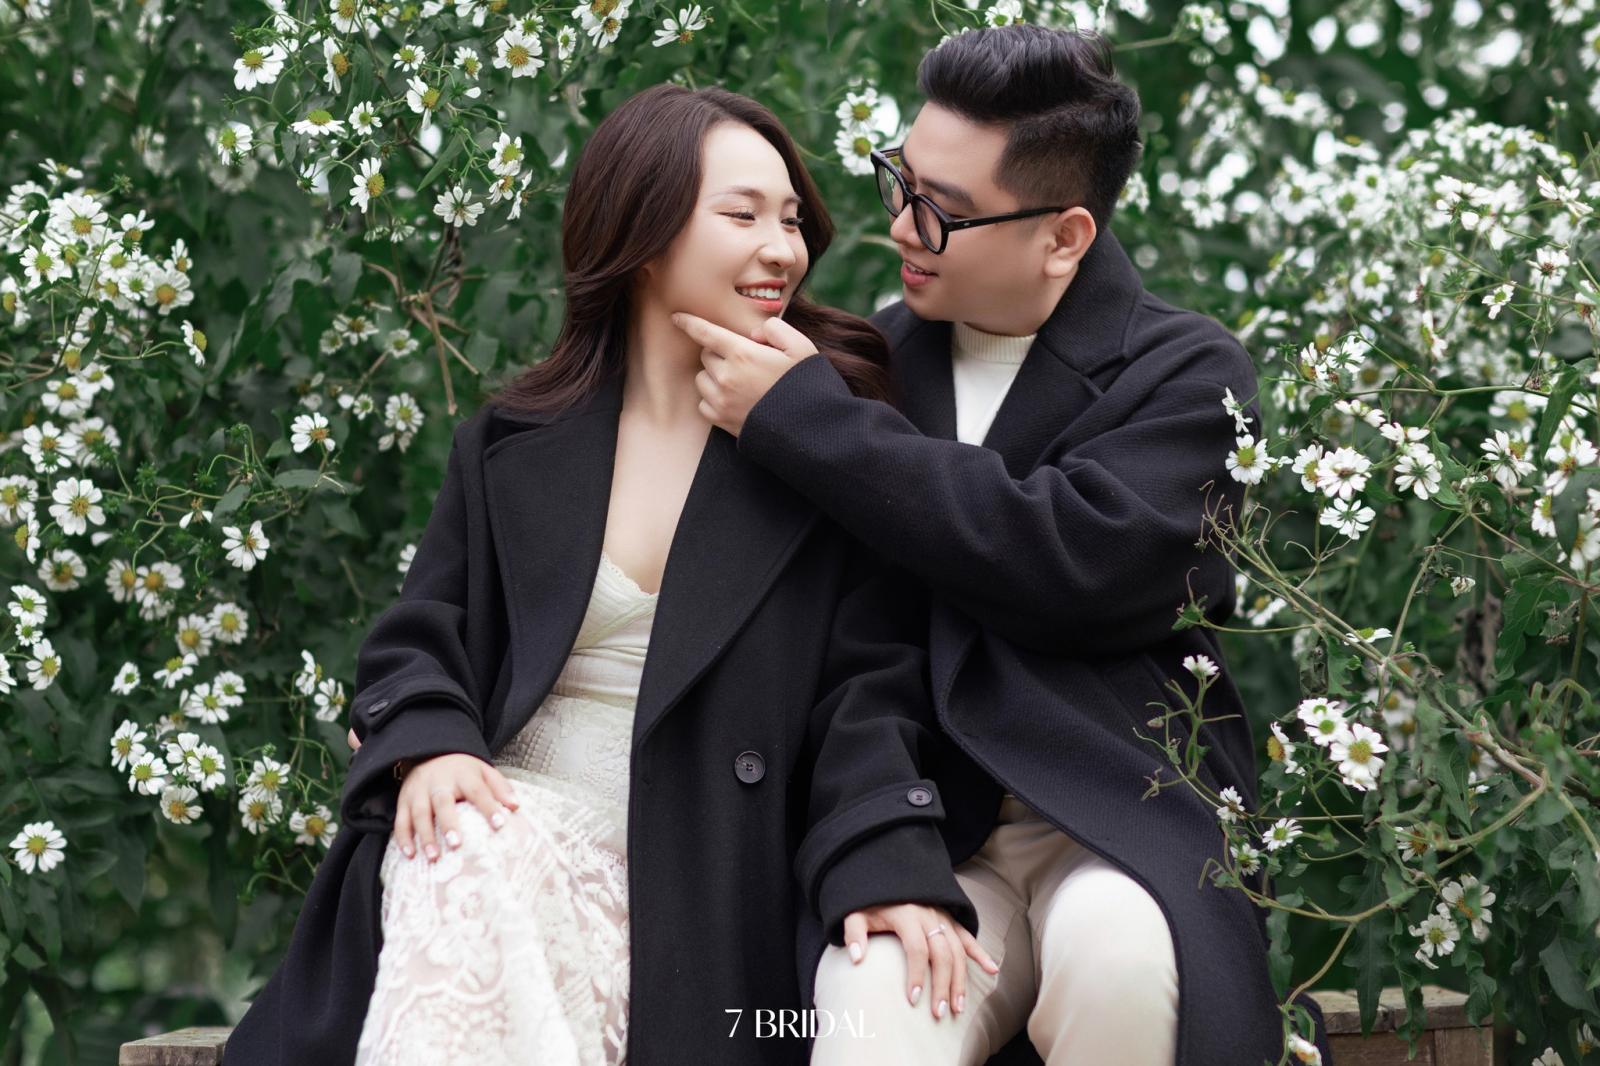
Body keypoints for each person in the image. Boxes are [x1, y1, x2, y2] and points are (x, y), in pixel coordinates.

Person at [225, 83, 997, 1066]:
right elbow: (423, 636)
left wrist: (884, 860)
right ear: (642, 236)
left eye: (792, 220)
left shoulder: (829, 437)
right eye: (743, 215)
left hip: (694, 882)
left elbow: (867, 692)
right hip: (490, 835)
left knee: (467, 863)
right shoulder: (512, 442)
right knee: (463, 849)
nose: (783, 249)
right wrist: (430, 746)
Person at [673, 24, 1334, 1066]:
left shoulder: (1186, 374)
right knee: (869, 1005)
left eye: (943, 209)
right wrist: (877, 844)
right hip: (927, 824)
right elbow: (842, 653)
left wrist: (815, 430)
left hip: (1123, 813)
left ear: (1064, 236)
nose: (901, 223)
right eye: (900, 179)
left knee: (1124, 962)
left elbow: (1071, 560)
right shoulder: (867, 363)